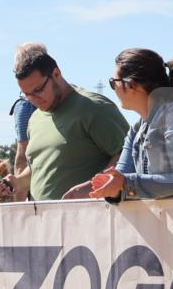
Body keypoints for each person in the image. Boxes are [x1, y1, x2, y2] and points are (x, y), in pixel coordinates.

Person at [90, 48, 173, 201]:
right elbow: (122, 180)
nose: (113, 88)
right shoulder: (136, 129)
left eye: (113, 82)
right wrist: (112, 187)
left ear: (131, 85)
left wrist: (125, 183)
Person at [13, 42, 129, 200]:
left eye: (38, 90)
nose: (33, 100)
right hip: (42, 221)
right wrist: (16, 183)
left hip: (88, 219)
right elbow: (40, 169)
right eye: (27, 94)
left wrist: (92, 186)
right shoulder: (35, 118)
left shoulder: (94, 108)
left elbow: (129, 155)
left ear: (56, 74)